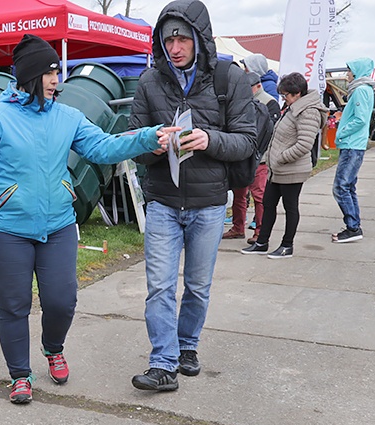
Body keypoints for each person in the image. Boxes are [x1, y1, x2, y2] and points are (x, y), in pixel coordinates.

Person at [0, 34, 178, 404]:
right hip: (7, 231)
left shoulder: (68, 117)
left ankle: (53, 348)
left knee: (62, 300)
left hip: (59, 226)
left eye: (57, 71)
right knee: (14, 305)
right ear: (30, 76)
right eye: (50, 73)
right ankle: (20, 374)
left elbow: (102, 147)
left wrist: (148, 138)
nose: (56, 80)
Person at [127, 0, 255, 392]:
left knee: (198, 286)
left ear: (199, 38)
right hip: (163, 201)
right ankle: (163, 363)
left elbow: (247, 141)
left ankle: (187, 346)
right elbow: (134, 141)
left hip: (209, 203)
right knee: (161, 286)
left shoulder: (228, 78)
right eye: (168, 39)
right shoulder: (150, 82)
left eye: (182, 37)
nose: (175, 46)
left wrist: (209, 139)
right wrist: (152, 142)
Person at [240, 72, 327, 259]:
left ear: (297, 93)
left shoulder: (309, 111)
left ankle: (287, 246)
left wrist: (280, 157)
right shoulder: (293, 107)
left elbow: (304, 144)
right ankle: (262, 242)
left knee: (290, 207)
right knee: (269, 204)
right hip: (278, 170)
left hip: (292, 170)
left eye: (286, 95)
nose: (284, 99)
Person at [223, 71, 280, 243]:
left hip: (259, 159)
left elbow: (271, 134)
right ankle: (238, 228)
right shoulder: (241, 101)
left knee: (259, 196)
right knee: (240, 194)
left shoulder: (270, 103)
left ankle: (259, 232)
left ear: (257, 86)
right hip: (242, 157)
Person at [330, 58, 375, 243]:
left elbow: (360, 119)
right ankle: (353, 225)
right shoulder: (363, 90)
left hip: (352, 145)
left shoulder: (361, 91)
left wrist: (342, 132)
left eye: (349, 71)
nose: (347, 74)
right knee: (348, 186)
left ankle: (353, 227)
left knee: (340, 187)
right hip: (353, 144)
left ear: (356, 72)